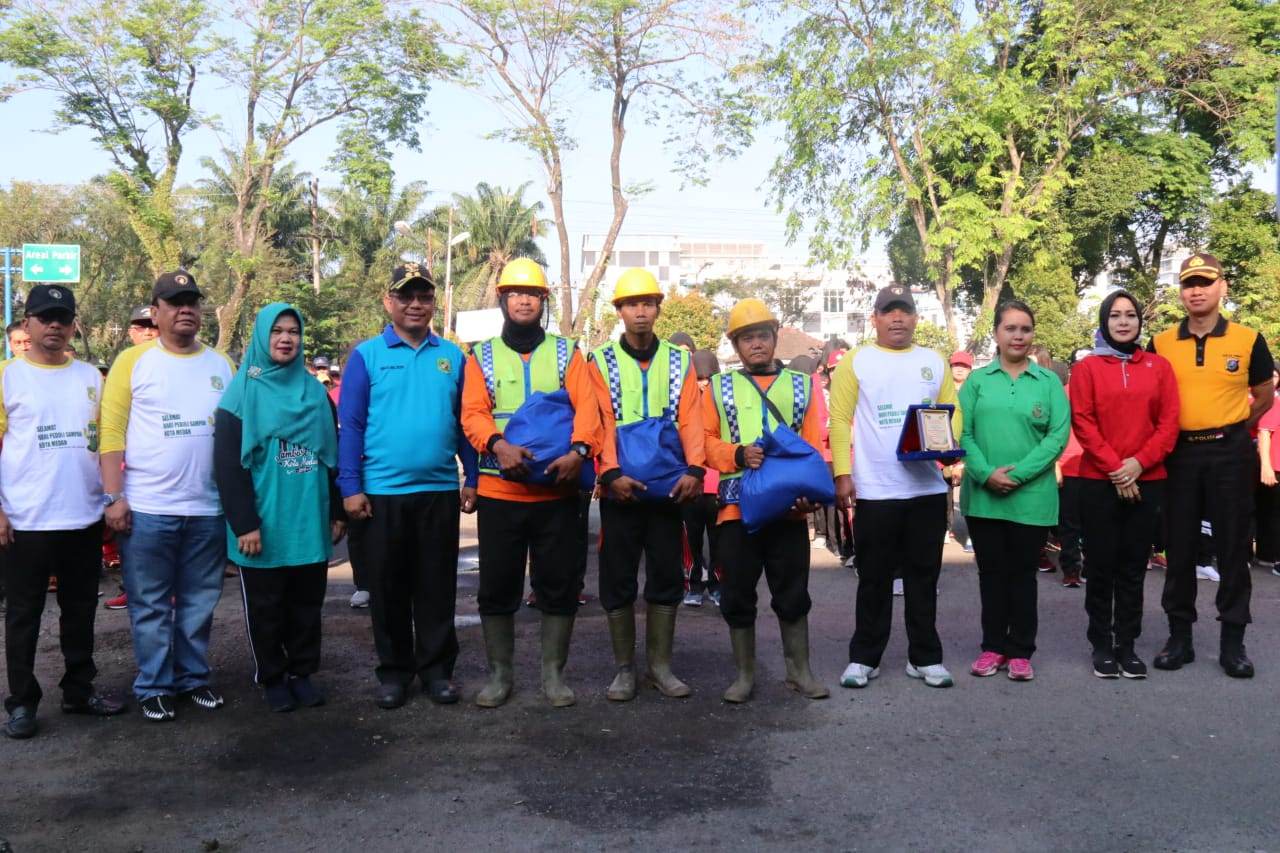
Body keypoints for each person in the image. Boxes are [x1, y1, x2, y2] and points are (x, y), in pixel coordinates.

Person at [461, 258, 600, 709]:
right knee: (497, 587)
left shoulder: (568, 353)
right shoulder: (479, 356)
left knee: (558, 584)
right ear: (502, 299)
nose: (523, 299)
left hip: (557, 492)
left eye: (532, 293)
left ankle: (553, 676)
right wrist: (498, 446)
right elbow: (473, 413)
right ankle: (500, 676)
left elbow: (589, 411)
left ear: (544, 301)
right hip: (501, 492)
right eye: (514, 293)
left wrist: (577, 453)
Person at [338, 264, 478, 709]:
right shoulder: (367, 356)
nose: (416, 304)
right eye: (406, 296)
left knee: (436, 587)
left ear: (433, 303)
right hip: (382, 493)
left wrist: (472, 477)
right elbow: (352, 425)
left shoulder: (452, 357)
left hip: (438, 490)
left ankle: (437, 671)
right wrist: (349, 486)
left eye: (424, 296)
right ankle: (395, 673)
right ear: (389, 302)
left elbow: (462, 423)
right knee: (389, 587)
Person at [100, 270, 235, 721]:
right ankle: (154, 685)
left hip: (207, 508)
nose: (185, 310)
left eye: (192, 302)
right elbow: (111, 431)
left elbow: (235, 436)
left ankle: (193, 679)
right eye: (175, 302)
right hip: (148, 508)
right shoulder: (132, 362)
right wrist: (113, 497)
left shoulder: (221, 365)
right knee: (151, 603)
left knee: (199, 601)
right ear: (155, 312)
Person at [2, 286, 127, 739]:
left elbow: (108, 440)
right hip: (26, 520)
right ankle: (21, 702)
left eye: (63, 317)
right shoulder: (7, 377)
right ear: (28, 323)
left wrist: (112, 499)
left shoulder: (92, 378)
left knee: (80, 611)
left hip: (83, 515)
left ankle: (79, 690)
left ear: (74, 324)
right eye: (45, 317)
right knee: (23, 616)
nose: (54, 325)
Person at [214, 304, 346, 712]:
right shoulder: (241, 394)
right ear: (261, 337)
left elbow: (332, 457)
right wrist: (244, 524)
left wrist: (336, 511)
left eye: (292, 331)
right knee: (267, 608)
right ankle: (272, 677)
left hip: (307, 520)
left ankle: (302, 674)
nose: (286, 339)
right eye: (277, 332)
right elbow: (227, 467)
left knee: (306, 606)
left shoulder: (315, 393)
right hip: (263, 524)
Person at [1149, 253, 1274, 678]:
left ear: (1223, 286)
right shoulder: (1162, 342)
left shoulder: (1248, 338)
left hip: (1229, 454)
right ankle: (1178, 638)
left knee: (1234, 549)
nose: (1196, 290)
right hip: (1179, 455)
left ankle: (1233, 643)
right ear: (1180, 292)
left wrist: (1236, 427)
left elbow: (1264, 395)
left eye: (1205, 281)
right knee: (1179, 548)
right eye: (1188, 284)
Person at [830, 285, 958, 690]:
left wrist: (949, 449)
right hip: (875, 490)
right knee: (874, 578)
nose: (897, 319)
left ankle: (925, 657)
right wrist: (842, 473)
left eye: (905, 311)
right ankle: (864, 657)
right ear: (875, 318)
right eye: (889, 312)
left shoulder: (933, 361)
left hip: (925, 490)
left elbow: (954, 416)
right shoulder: (858, 360)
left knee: (924, 577)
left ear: (916, 318)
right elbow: (839, 418)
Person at [587, 269, 705, 702]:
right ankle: (624, 670)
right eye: (631, 304)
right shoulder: (598, 361)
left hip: (669, 489)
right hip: (621, 489)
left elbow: (692, 416)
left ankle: (660, 666)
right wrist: (611, 473)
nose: (640, 311)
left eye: (648, 303)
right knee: (617, 576)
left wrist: (695, 469)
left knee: (666, 573)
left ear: (657, 308)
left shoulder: (679, 360)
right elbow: (596, 420)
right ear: (619, 311)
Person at [703, 298, 828, 703]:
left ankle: (800, 672)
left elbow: (811, 446)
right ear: (735, 346)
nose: (755, 344)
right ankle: (744, 676)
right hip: (736, 511)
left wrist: (808, 496)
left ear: (775, 338)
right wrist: (736, 455)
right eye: (746, 338)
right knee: (737, 594)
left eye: (762, 336)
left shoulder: (801, 384)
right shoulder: (720, 387)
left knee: (792, 592)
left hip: (787, 513)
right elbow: (702, 441)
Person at [1070, 290, 1179, 679]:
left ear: (1139, 322)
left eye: (1130, 315)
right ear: (1104, 321)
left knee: (1134, 569)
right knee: (1100, 567)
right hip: (1100, 481)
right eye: (1114, 315)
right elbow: (1083, 422)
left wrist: (1138, 465)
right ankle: (1101, 644)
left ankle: (1127, 644)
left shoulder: (1159, 367)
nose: (1122, 321)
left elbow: (1169, 425)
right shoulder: (1087, 369)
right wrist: (1118, 469)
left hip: (1147, 480)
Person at [960, 300, 1069, 682]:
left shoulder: (1049, 382)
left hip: (1032, 499)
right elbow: (963, 432)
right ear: (996, 333)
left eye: (1025, 329)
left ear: (1032, 334)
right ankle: (992, 646)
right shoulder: (977, 381)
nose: (1018, 335)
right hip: (984, 497)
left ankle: (1021, 650)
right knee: (991, 575)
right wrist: (986, 473)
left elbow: (1057, 437)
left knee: (1023, 575)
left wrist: (1018, 475)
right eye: (1010, 328)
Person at [683, 349, 722, 608]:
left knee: (719, 543)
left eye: (709, 377)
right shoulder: (684, 404)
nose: (704, 382)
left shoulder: (723, 402)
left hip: (717, 484)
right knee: (693, 542)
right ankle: (694, 586)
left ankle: (718, 587)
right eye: (699, 377)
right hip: (691, 486)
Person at [1255, 371, 1280, 574]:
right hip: (1275, 467)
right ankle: (1269, 556)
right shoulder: (1275, 402)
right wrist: (1266, 465)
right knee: (1270, 512)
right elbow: (1264, 432)